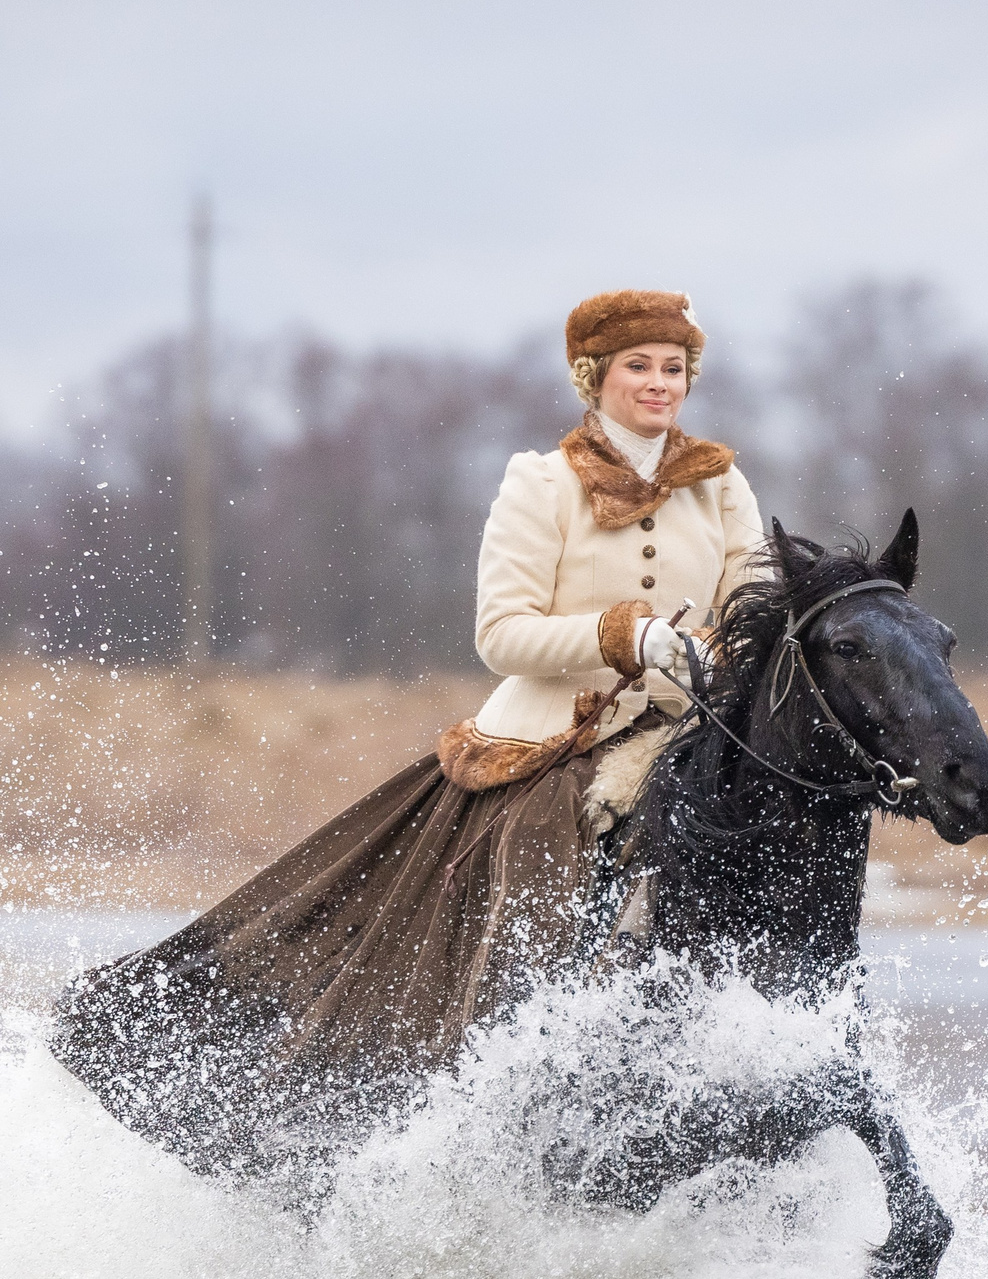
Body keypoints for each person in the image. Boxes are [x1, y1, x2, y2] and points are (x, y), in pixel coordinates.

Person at [49, 288, 766, 1190]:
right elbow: (501, 632)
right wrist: (622, 637)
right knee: (543, 889)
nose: (661, 385)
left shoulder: (724, 483)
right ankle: (505, 1067)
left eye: (675, 369)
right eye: (640, 367)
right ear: (595, 376)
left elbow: (757, 606)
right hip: (558, 741)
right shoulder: (539, 482)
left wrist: (723, 654)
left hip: (692, 728)